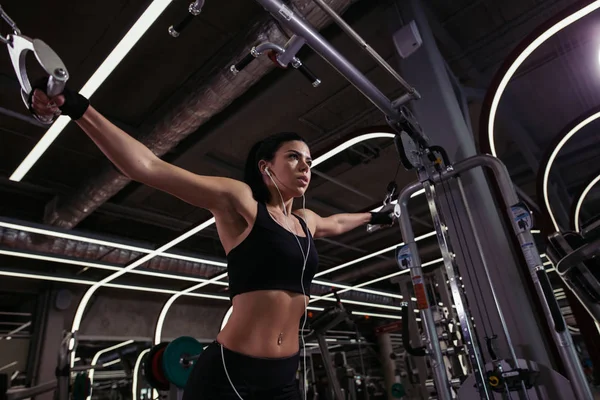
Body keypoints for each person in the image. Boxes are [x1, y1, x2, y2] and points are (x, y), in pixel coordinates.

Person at [30, 82, 393, 399]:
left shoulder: (305, 221)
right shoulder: (242, 203)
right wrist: (77, 107)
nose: (305, 167)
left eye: (309, 162)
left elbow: (339, 221)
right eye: (294, 158)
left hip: (284, 376)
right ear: (266, 167)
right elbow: (149, 167)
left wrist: (375, 215)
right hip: (232, 373)